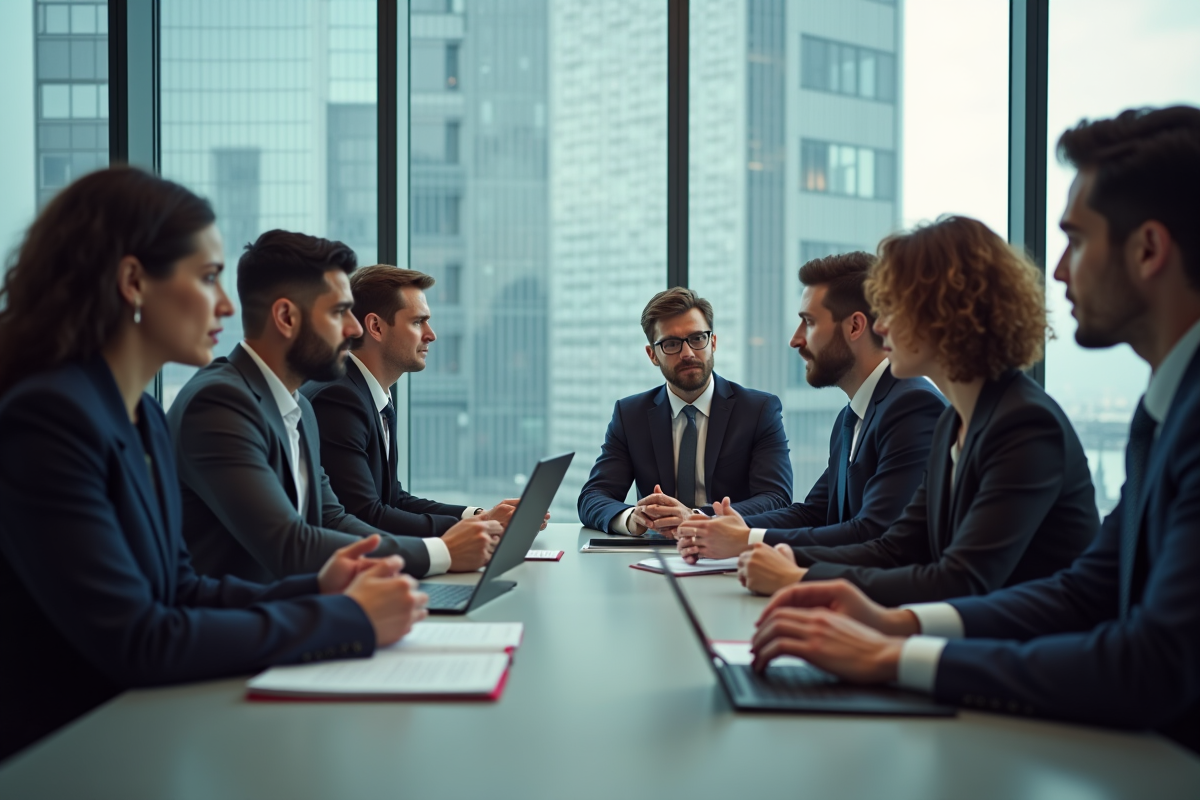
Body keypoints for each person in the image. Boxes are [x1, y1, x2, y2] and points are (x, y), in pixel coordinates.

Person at [750, 106, 1200, 753]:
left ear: (1149, 249)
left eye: (1076, 239)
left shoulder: (1028, 424)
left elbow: (1147, 661)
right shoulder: (1158, 409)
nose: (1062, 270)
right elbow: (1084, 590)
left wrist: (888, 652)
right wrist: (893, 621)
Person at [0, 167, 426, 761]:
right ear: (132, 282)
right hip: (69, 752)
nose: (226, 303)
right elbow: (141, 639)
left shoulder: (141, 417)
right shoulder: (48, 420)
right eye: (206, 278)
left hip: (142, 730)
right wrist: (345, 621)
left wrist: (321, 588)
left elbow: (181, 589)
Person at [700, 215, 1098, 605]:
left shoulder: (1022, 423)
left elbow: (961, 579)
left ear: (945, 314)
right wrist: (790, 564)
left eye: (893, 308)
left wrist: (798, 576)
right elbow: (897, 547)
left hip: (1018, 656)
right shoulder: (954, 423)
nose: (882, 326)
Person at [167, 231, 498, 584]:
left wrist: (444, 545)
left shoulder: (299, 409)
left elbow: (334, 519)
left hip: (294, 614)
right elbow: (290, 544)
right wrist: (441, 553)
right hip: (242, 627)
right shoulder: (219, 404)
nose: (355, 328)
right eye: (340, 312)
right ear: (287, 318)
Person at [673, 252, 944, 564]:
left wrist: (747, 540)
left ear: (855, 326)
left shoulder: (911, 406)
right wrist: (713, 524)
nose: (795, 340)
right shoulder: (851, 416)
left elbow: (874, 532)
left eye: (809, 322)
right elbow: (814, 512)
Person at [302, 265, 548, 535]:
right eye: (418, 322)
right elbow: (366, 516)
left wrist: (479, 516)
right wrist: (482, 527)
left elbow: (393, 498)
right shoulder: (339, 398)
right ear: (376, 327)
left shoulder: (368, 391)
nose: (431, 334)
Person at [577, 288, 792, 535]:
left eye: (697, 338)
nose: (687, 353)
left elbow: (777, 498)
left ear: (713, 342)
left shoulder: (758, 410)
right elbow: (592, 497)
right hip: (653, 556)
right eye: (671, 344)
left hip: (730, 553)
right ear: (652, 355)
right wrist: (633, 518)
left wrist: (696, 518)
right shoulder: (630, 415)